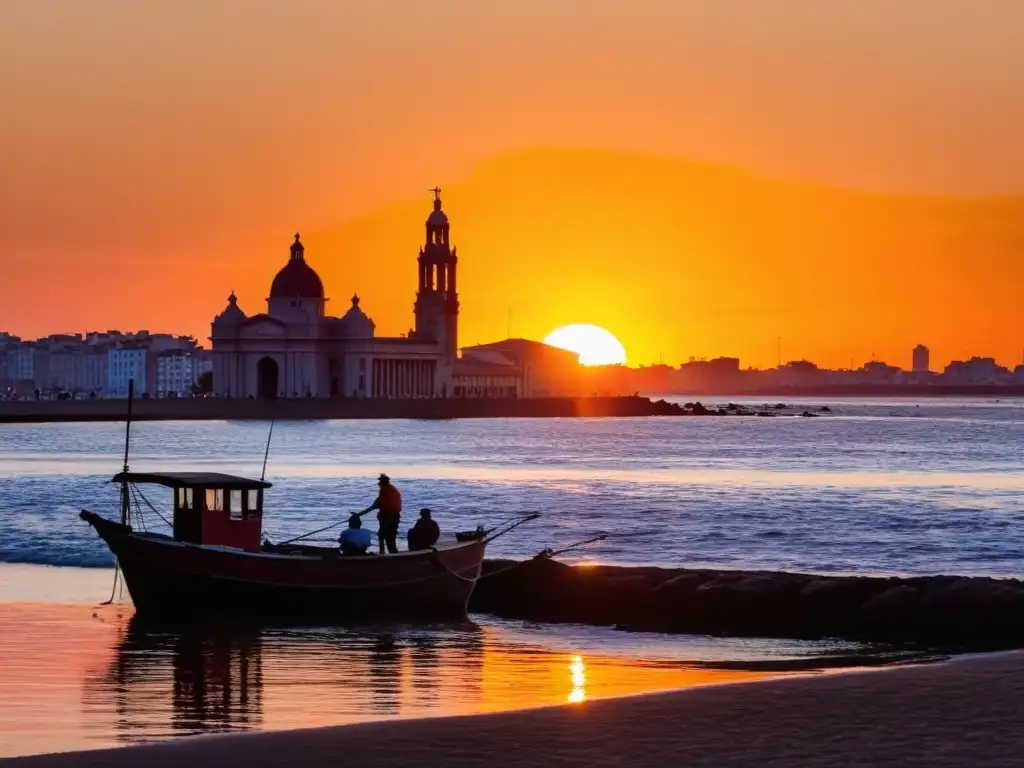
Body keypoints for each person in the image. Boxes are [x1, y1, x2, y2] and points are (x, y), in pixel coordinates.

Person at [359, 473, 402, 554]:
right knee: (391, 537)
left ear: (382, 483)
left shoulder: (384, 492)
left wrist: (358, 515)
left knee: (382, 536)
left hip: (387, 517)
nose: (378, 484)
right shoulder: (393, 490)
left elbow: (373, 507)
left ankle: (382, 553)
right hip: (395, 517)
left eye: (379, 482)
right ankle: (393, 554)